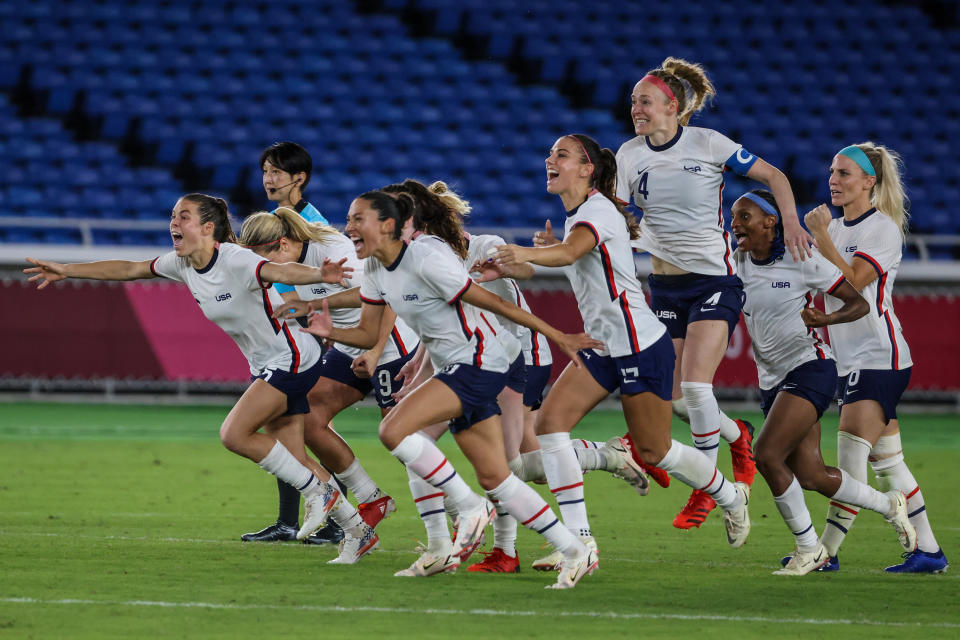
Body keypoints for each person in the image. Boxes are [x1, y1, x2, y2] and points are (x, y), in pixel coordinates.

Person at [24, 194, 378, 564]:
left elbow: (282, 272)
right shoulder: (181, 263)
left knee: (234, 434)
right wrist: (67, 270)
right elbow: (129, 268)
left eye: (184, 216)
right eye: (173, 215)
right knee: (293, 457)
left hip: (292, 357)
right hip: (269, 361)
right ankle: (357, 530)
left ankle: (320, 494)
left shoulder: (234, 258)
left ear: (208, 228)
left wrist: (321, 275)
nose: (174, 222)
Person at [281, 189, 605, 589]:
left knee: (397, 431)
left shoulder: (427, 257)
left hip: (481, 362)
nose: (347, 228)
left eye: (356, 218)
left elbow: (494, 303)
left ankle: (468, 511)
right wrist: (331, 330)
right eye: (348, 219)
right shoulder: (378, 270)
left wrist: (560, 336)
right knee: (498, 478)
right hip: (460, 364)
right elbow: (367, 333)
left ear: (387, 224)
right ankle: (574, 551)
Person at [493, 134, 751, 569]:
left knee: (656, 452)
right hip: (602, 344)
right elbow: (560, 258)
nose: (549, 160)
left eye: (561, 155)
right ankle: (580, 544)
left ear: (587, 168)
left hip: (640, 345)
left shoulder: (596, 211)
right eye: (549, 152)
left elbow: (572, 251)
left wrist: (530, 250)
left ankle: (730, 495)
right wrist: (509, 266)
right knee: (551, 428)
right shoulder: (579, 213)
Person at [382, 180, 648, 575]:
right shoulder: (412, 257)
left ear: (411, 219)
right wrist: (419, 361)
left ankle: (504, 546)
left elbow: (522, 271)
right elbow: (441, 321)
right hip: (465, 360)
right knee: (433, 444)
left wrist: (520, 262)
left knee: (511, 466)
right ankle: (447, 539)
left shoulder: (478, 245)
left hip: (518, 354)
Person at [614, 57, 814, 530]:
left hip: (713, 283)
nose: (636, 108)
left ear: (672, 106)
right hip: (663, 286)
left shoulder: (708, 143)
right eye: (633, 102)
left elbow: (776, 178)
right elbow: (617, 215)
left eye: (645, 101)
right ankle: (738, 436)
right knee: (676, 401)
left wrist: (789, 219)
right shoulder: (627, 155)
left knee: (698, 387)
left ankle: (708, 489)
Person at [731, 189, 916, 575]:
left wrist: (823, 320)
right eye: (733, 218)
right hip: (772, 380)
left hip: (810, 368)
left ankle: (810, 549)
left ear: (771, 221)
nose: (735, 225)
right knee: (813, 474)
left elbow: (859, 303)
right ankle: (889, 504)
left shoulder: (802, 258)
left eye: (744, 217)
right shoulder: (737, 262)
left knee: (765, 454)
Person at [802, 142, 948, 573]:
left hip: (878, 356)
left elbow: (855, 281)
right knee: (889, 462)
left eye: (845, 173)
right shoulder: (838, 227)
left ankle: (824, 552)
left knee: (850, 459)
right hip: (853, 358)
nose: (834, 179)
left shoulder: (880, 229)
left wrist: (821, 235)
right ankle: (930, 552)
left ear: (870, 181)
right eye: (832, 171)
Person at [238, 208, 420, 549]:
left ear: (280, 244)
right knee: (308, 418)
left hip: (390, 344)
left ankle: (458, 516)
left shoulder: (334, 249)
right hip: (349, 345)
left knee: (404, 443)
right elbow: (296, 302)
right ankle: (370, 497)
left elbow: (380, 294)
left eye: (262, 257)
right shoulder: (290, 263)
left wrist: (376, 352)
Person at [244, 141, 341, 545]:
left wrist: (326, 328)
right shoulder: (275, 222)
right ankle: (290, 521)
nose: (268, 178)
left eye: (276, 172)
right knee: (284, 429)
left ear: (299, 178)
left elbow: (339, 280)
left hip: (305, 339)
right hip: (287, 335)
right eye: (265, 171)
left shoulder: (312, 228)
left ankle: (339, 517)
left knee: (295, 429)